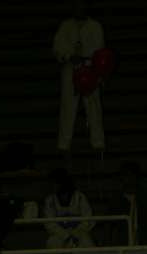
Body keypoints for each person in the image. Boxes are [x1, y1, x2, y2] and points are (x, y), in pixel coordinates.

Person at [53, 3, 106, 154]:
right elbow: (57, 48)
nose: (79, 9)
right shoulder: (65, 26)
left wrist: (100, 74)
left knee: (93, 107)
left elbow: (100, 51)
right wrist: (69, 56)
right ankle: (64, 144)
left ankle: (98, 143)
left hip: (90, 68)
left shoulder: (95, 26)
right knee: (68, 107)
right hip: (71, 69)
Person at [43, 169, 94, 254]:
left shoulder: (80, 197)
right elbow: (49, 223)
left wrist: (75, 234)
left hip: (79, 234)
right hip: (59, 236)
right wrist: (66, 236)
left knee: (88, 244)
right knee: (52, 243)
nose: (53, 186)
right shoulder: (50, 200)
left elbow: (88, 219)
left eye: (55, 183)